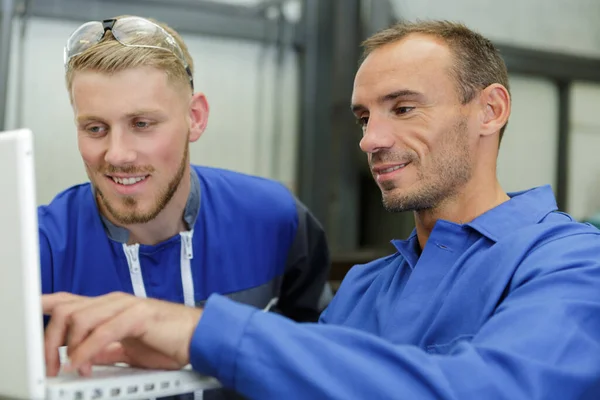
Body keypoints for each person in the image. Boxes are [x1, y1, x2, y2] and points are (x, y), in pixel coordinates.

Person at [43, 20, 600, 400]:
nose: (372, 139)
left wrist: (198, 331)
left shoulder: (574, 265)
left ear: (490, 110)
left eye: (402, 108)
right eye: (364, 118)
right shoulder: (363, 291)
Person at [39, 15, 332, 398]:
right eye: (95, 128)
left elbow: (320, 358)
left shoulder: (275, 219)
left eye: (142, 124)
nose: (118, 154)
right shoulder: (36, 248)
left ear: (195, 118)